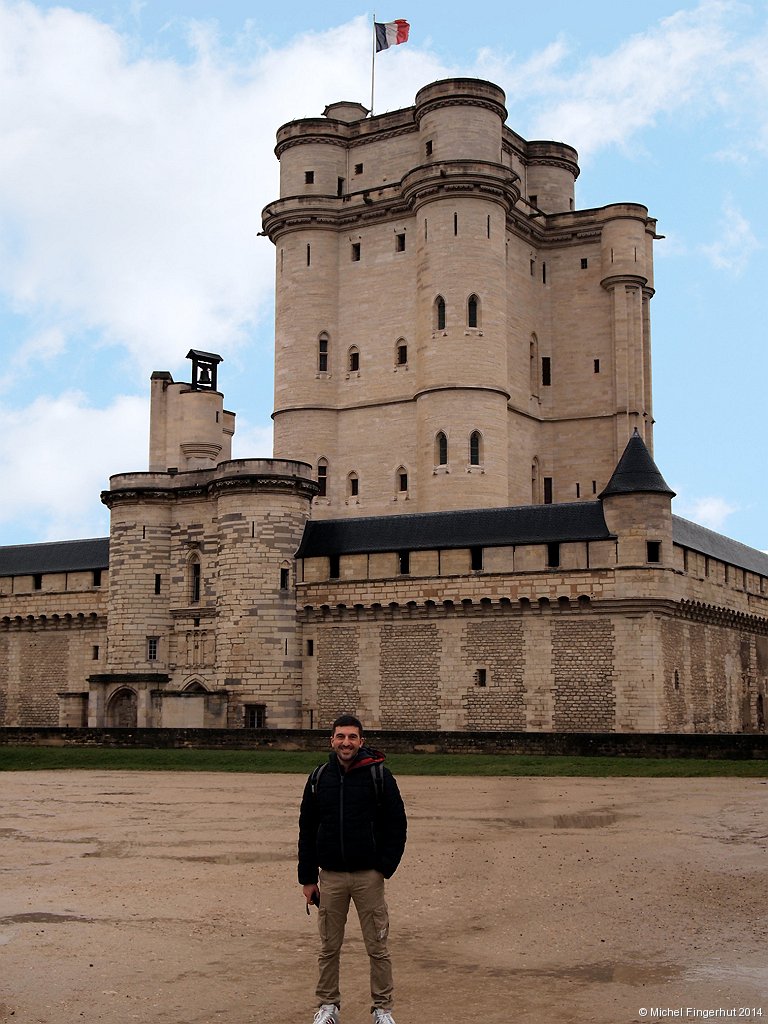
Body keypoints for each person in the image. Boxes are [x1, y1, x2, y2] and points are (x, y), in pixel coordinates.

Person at [298, 714, 407, 1024]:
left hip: (367, 876)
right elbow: (307, 828)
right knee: (328, 947)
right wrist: (308, 878)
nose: (346, 743)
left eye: (352, 737)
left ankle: (382, 1009)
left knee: (377, 946)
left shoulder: (379, 775)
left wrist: (383, 867)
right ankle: (328, 1006)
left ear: (361, 741)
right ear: (332, 740)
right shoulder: (319, 778)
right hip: (331, 876)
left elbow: (397, 824)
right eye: (341, 737)